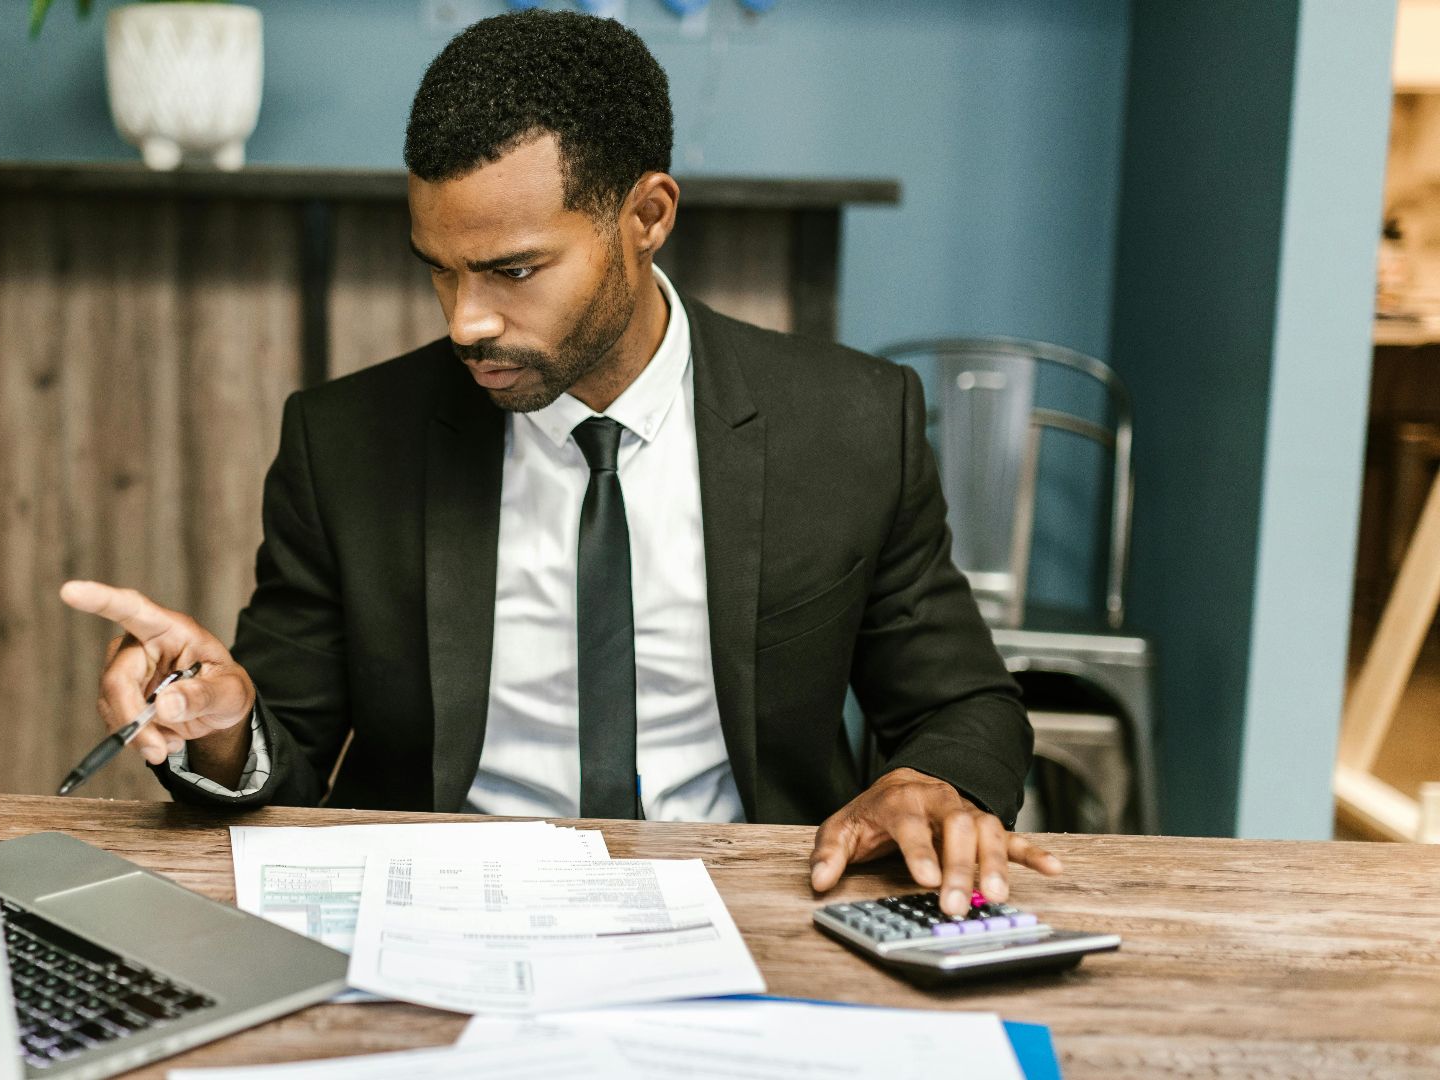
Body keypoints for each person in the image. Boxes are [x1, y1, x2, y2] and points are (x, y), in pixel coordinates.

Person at [60, 9, 1060, 918]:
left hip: (759, 904)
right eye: (439, 271)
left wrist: (937, 784)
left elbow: (960, 702)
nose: (467, 320)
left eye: (513, 269)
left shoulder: (847, 422)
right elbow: (288, 750)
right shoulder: (348, 443)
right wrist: (222, 725)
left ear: (648, 217)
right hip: (444, 915)